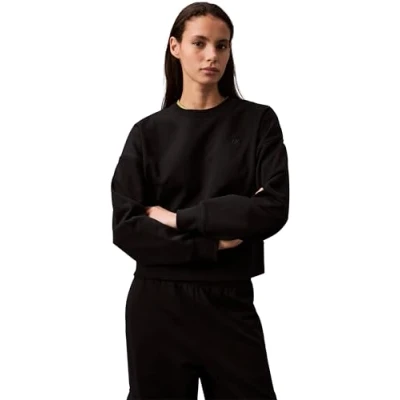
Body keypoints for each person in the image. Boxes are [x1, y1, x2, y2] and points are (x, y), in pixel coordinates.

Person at [111, 2, 289, 399]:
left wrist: (180, 219)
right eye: (200, 43)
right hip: (157, 304)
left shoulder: (258, 122)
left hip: (229, 299)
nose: (212, 55)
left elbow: (272, 208)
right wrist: (213, 244)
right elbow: (127, 228)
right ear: (175, 47)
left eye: (222, 45)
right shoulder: (147, 134)